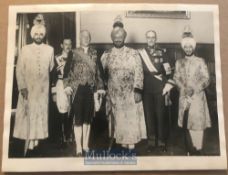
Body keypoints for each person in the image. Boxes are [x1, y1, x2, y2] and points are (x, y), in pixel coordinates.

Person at [101, 19, 147, 150]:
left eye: (120, 37)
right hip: (114, 94)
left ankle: (131, 146)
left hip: (130, 94)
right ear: (112, 39)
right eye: (115, 38)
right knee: (119, 122)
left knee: (130, 121)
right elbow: (102, 74)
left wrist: (138, 90)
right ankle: (122, 145)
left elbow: (139, 72)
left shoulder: (133, 53)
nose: (118, 40)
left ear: (124, 38)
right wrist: (105, 90)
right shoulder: (106, 55)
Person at [13, 24, 54, 153]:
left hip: (42, 90)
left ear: (44, 35)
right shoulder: (25, 49)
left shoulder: (50, 49)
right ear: (32, 35)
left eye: (41, 34)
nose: (38, 37)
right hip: (28, 89)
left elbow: (51, 68)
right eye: (36, 34)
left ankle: (36, 144)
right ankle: (27, 145)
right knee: (28, 116)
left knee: (39, 115)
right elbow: (19, 70)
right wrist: (22, 87)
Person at [63, 30, 104, 156]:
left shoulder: (95, 53)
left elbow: (99, 72)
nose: (86, 38)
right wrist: (67, 86)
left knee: (87, 118)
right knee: (78, 119)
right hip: (77, 89)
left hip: (90, 89)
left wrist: (100, 87)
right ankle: (78, 147)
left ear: (90, 38)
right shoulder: (73, 53)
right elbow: (66, 71)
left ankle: (85, 145)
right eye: (83, 36)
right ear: (80, 38)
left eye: (88, 36)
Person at [173, 27, 211, 155]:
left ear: (193, 47)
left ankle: (198, 148)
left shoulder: (200, 61)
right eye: (186, 47)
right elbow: (176, 77)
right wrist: (183, 88)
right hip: (184, 96)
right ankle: (189, 149)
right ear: (183, 48)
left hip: (197, 98)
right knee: (186, 123)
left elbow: (206, 79)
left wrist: (194, 89)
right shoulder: (179, 62)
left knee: (197, 123)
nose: (188, 49)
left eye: (190, 46)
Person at [138, 30, 174, 152]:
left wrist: (168, 86)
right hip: (146, 88)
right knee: (149, 116)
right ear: (146, 39)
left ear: (156, 38)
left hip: (160, 88)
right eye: (148, 37)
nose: (151, 39)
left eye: (153, 37)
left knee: (160, 115)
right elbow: (138, 71)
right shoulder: (140, 53)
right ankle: (151, 143)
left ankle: (162, 142)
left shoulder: (163, 53)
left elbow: (169, 72)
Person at [50, 38, 73, 147]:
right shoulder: (56, 58)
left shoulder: (75, 57)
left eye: (69, 44)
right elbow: (53, 77)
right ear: (61, 45)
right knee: (62, 111)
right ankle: (63, 137)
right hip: (60, 85)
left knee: (71, 110)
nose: (68, 46)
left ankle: (71, 136)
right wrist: (54, 92)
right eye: (65, 44)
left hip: (72, 85)